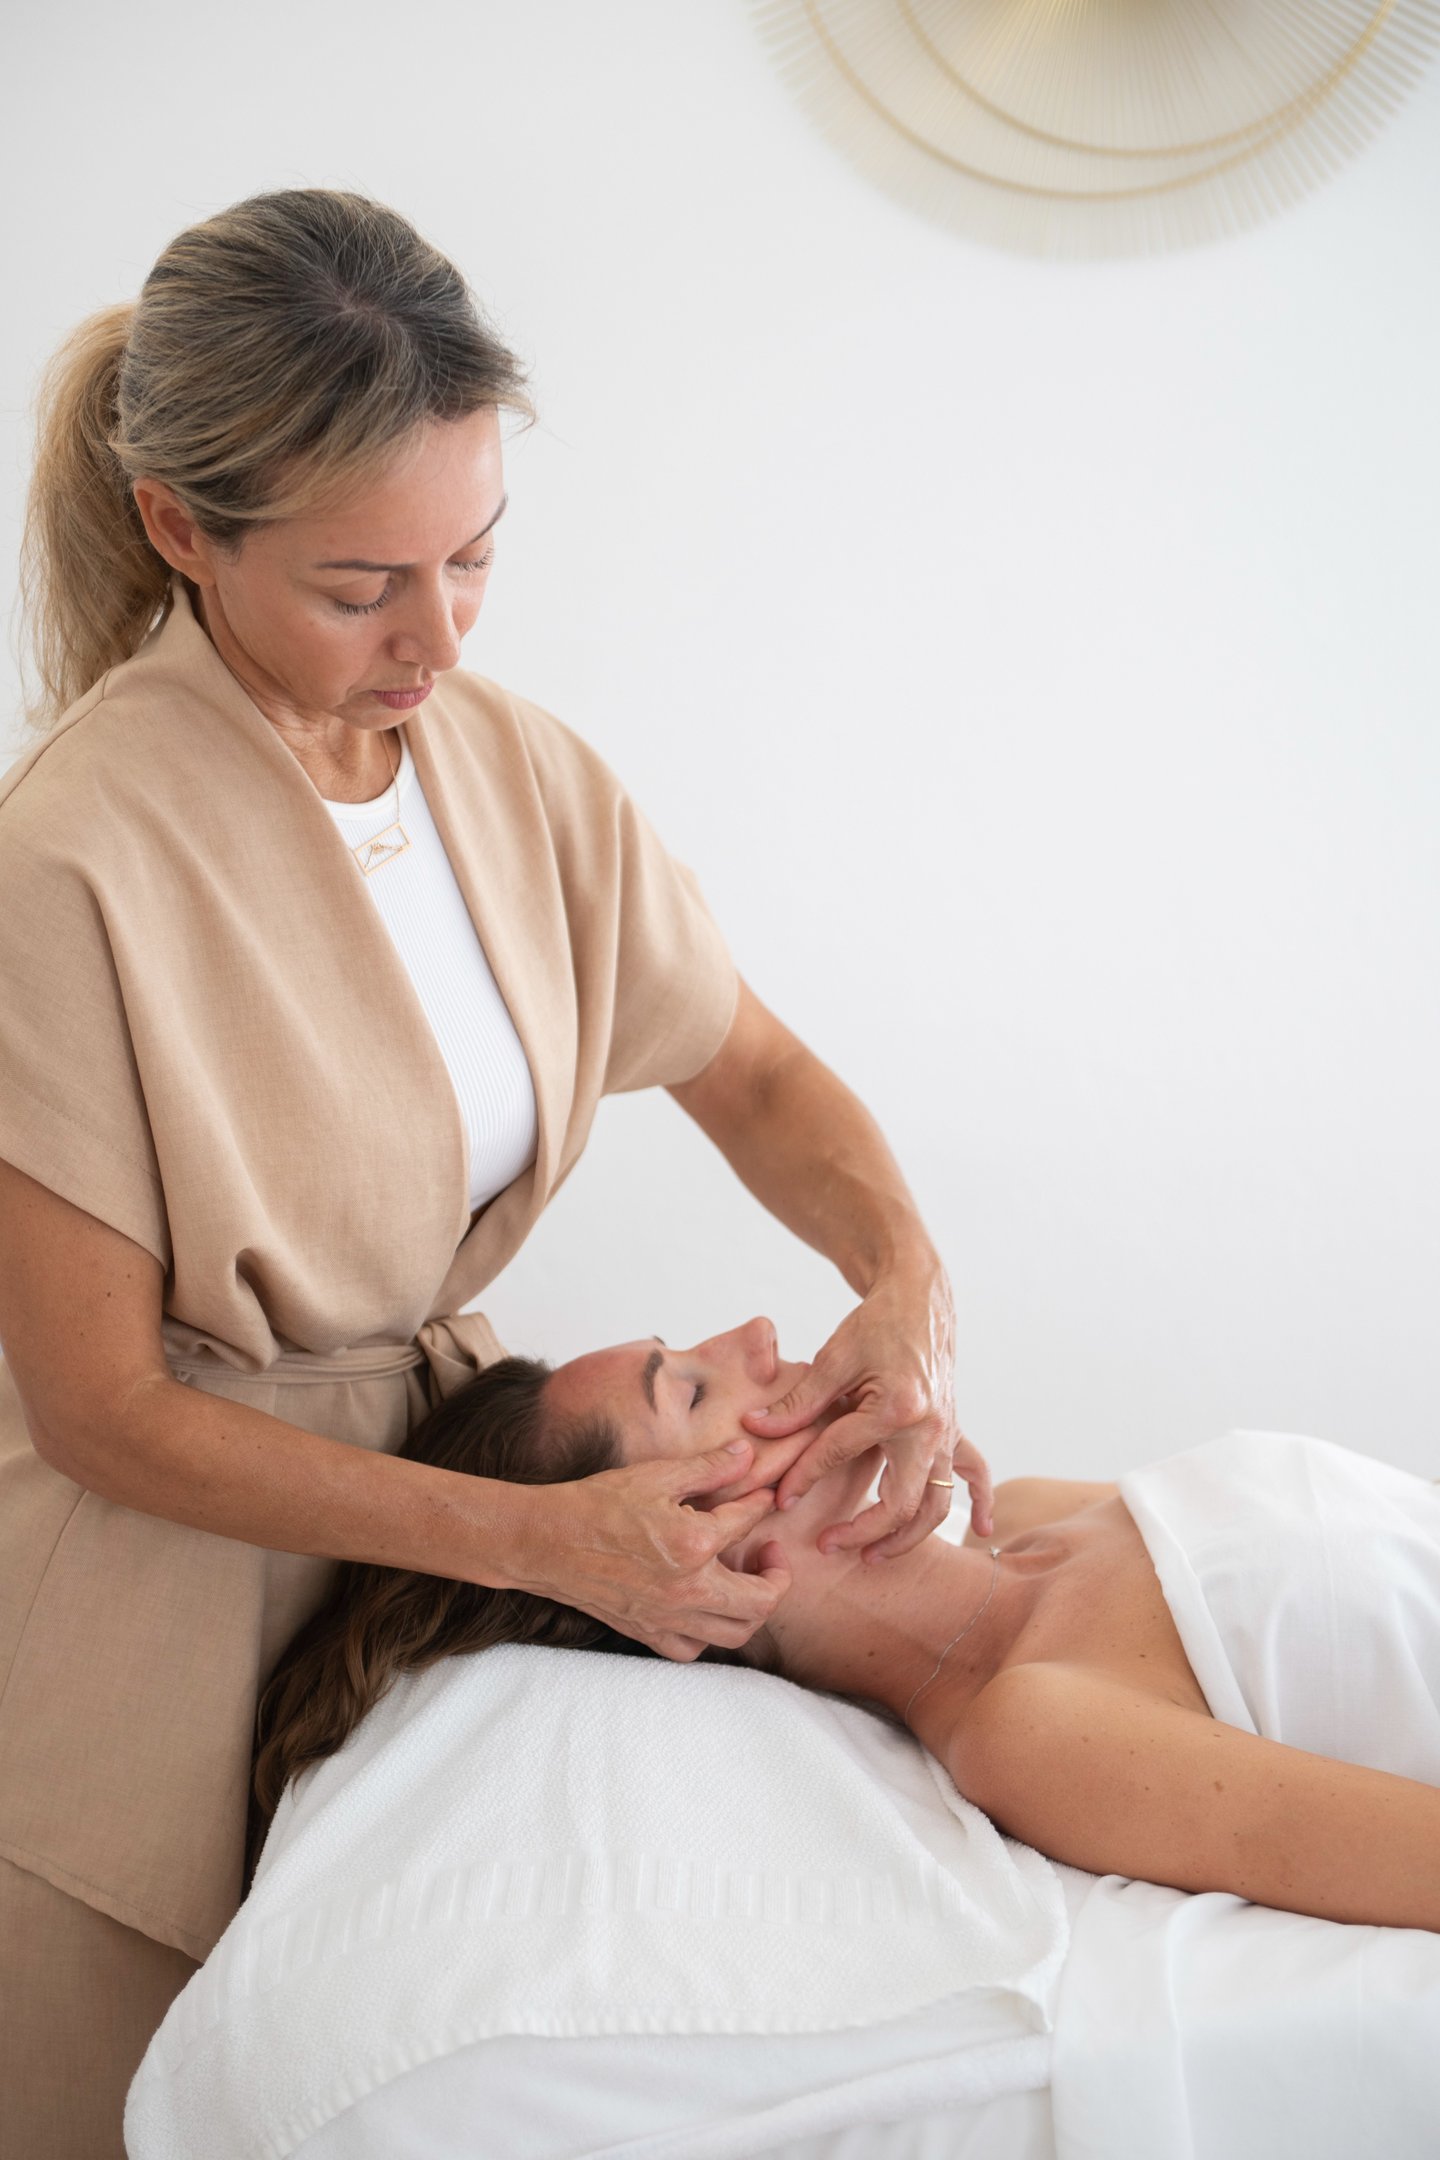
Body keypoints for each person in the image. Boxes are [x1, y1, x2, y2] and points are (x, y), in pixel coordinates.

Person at [0, 186, 994, 2156]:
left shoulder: (509, 770)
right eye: (363, 584)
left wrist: (906, 1285)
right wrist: (543, 1548)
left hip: (423, 1544)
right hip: (139, 1612)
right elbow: (100, 1410)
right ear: (180, 530)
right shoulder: (70, 861)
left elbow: (755, 1074)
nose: (438, 635)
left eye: (474, 557)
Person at [252, 1317, 1440, 1935]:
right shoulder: (1033, 1726)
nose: (761, 1336)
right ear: (700, 1558)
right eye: (695, 1387)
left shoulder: (1035, 1512)